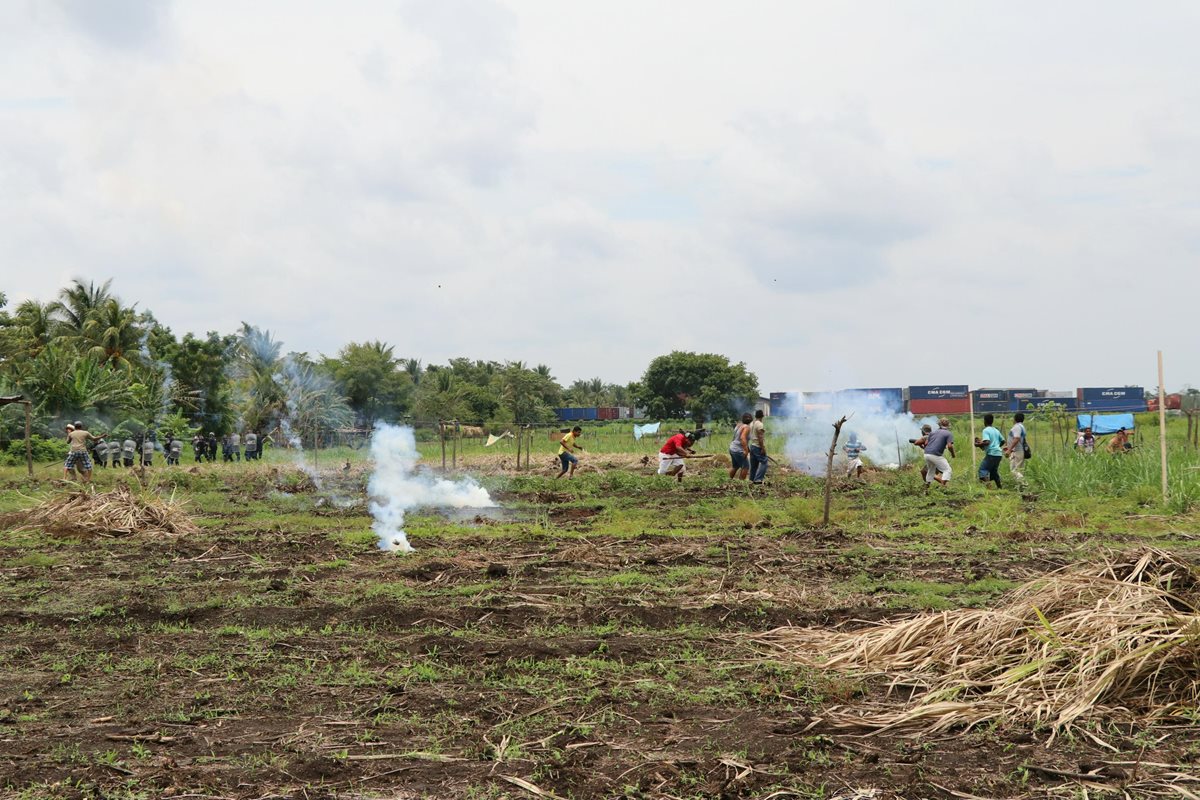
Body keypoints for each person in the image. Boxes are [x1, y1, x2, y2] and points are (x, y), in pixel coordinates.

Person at [923, 418, 956, 490]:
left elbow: (926, 443)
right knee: (947, 470)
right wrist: (953, 454)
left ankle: (926, 490)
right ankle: (941, 488)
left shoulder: (932, 432)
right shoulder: (948, 433)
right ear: (948, 425)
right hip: (935, 454)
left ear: (939, 424)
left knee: (931, 471)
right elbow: (950, 446)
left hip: (926, 454)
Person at [974, 413, 1004, 489]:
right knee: (994, 472)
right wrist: (997, 446)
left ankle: (989, 488)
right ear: (992, 421)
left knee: (982, 470)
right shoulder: (996, 430)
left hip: (991, 454)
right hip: (998, 454)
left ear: (985, 421)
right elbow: (1003, 441)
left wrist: (978, 444)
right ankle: (1000, 487)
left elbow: (987, 442)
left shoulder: (986, 430)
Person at [1004, 412, 1027, 481]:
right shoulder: (1021, 426)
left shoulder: (1017, 427)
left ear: (1015, 419)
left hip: (1016, 451)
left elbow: (1016, 438)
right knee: (1018, 470)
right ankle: (1020, 487)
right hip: (1019, 450)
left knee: (1014, 470)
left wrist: (1009, 450)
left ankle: (1024, 484)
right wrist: (1008, 447)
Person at [728, 413, 752, 480]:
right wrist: (745, 450)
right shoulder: (747, 427)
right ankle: (740, 484)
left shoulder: (739, 425)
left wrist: (747, 448)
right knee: (746, 467)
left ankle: (728, 480)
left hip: (732, 448)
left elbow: (736, 438)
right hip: (738, 450)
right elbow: (742, 438)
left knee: (735, 466)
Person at [748, 409, 769, 484]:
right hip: (757, 446)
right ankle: (758, 479)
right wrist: (763, 448)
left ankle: (751, 480)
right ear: (762, 416)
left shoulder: (752, 423)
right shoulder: (759, 424)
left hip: (752, 446)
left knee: (754, 466)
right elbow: (760, 437)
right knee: (764, 462)